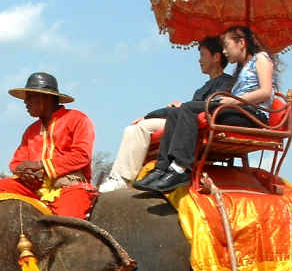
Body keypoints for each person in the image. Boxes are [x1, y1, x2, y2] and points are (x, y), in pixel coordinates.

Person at [134, 26, 278, 193]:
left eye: (226, 45)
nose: (224, 51)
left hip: (252, 115)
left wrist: (233, 100)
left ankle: (181, 167)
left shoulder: (261, 59)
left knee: (188, 108)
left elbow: (266, 91)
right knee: (176, 112)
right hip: (236, 110)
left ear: (241, 43)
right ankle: (162, 167)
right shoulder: (241, 68)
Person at [98, 37, 234, 193]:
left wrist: (151, 115)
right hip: (185, 121)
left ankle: (123, 178)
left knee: (143, 127)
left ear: (216, 57)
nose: (199, 60)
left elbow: (206, 108)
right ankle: (120, 177)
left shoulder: (226, 83)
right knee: (132, 129)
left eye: (203, 55)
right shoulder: (203, 87)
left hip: (194, 125)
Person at [0, 72, 97, 219]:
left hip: (69, 187)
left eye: (30, 97)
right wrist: (25, 171)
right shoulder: (31, 130)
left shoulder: (78, 119)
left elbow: (81, 156)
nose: (25, 103)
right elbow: (16, 162)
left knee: (64, 224)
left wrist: (41, 166)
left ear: (45, 97)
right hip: (34, 189)